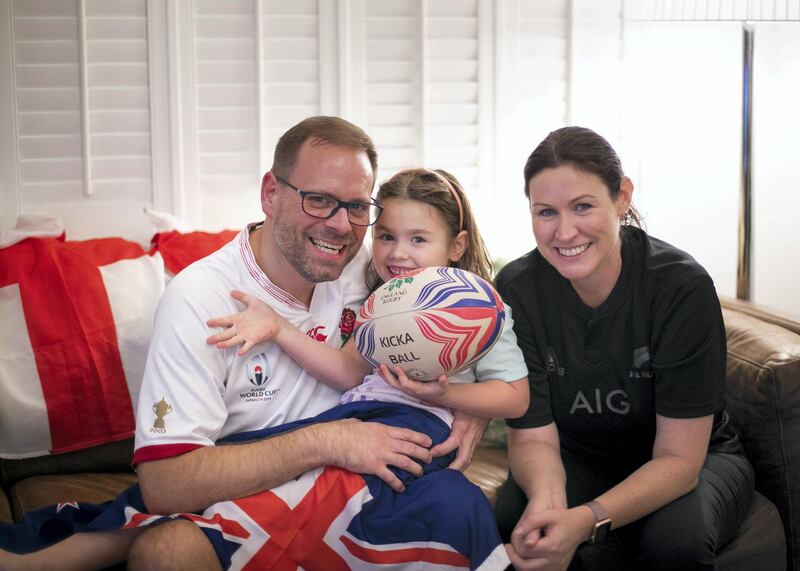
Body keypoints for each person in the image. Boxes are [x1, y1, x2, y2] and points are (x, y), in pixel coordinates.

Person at [0, 118, 489, 570]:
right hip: (245, 493)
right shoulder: (202, 298)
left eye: (358, 206)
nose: (341, 225)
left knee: (456, 504)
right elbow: (167, 485)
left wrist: (470, 404)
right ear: (271, 194)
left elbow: (474, 311)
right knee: (166, 551)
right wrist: (330, 441)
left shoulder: (377, 269)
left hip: (366, 490)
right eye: (318, 199)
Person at [493, 126, 755, 570]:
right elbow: (533, 435)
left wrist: (586, 520)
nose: (564, 231)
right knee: (515, 521)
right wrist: (548, 503)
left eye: (582, 206)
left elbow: (678, 459)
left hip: (691, 458)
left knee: (675, 543)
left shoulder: (679, 286)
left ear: (622, 197)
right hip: (577, 456)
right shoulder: (518, 289)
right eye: (546, 212)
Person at [206, 166, 530, 448]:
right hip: (363, 420)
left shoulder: (480, 310)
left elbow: (515, 397)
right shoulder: (378, 298)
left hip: (423, 428)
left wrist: (443, 396)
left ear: (456, 245)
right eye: (386, 236)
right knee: (272, 444)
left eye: (418, 240)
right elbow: (347, 371)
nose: (398, 253)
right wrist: (279, 327)